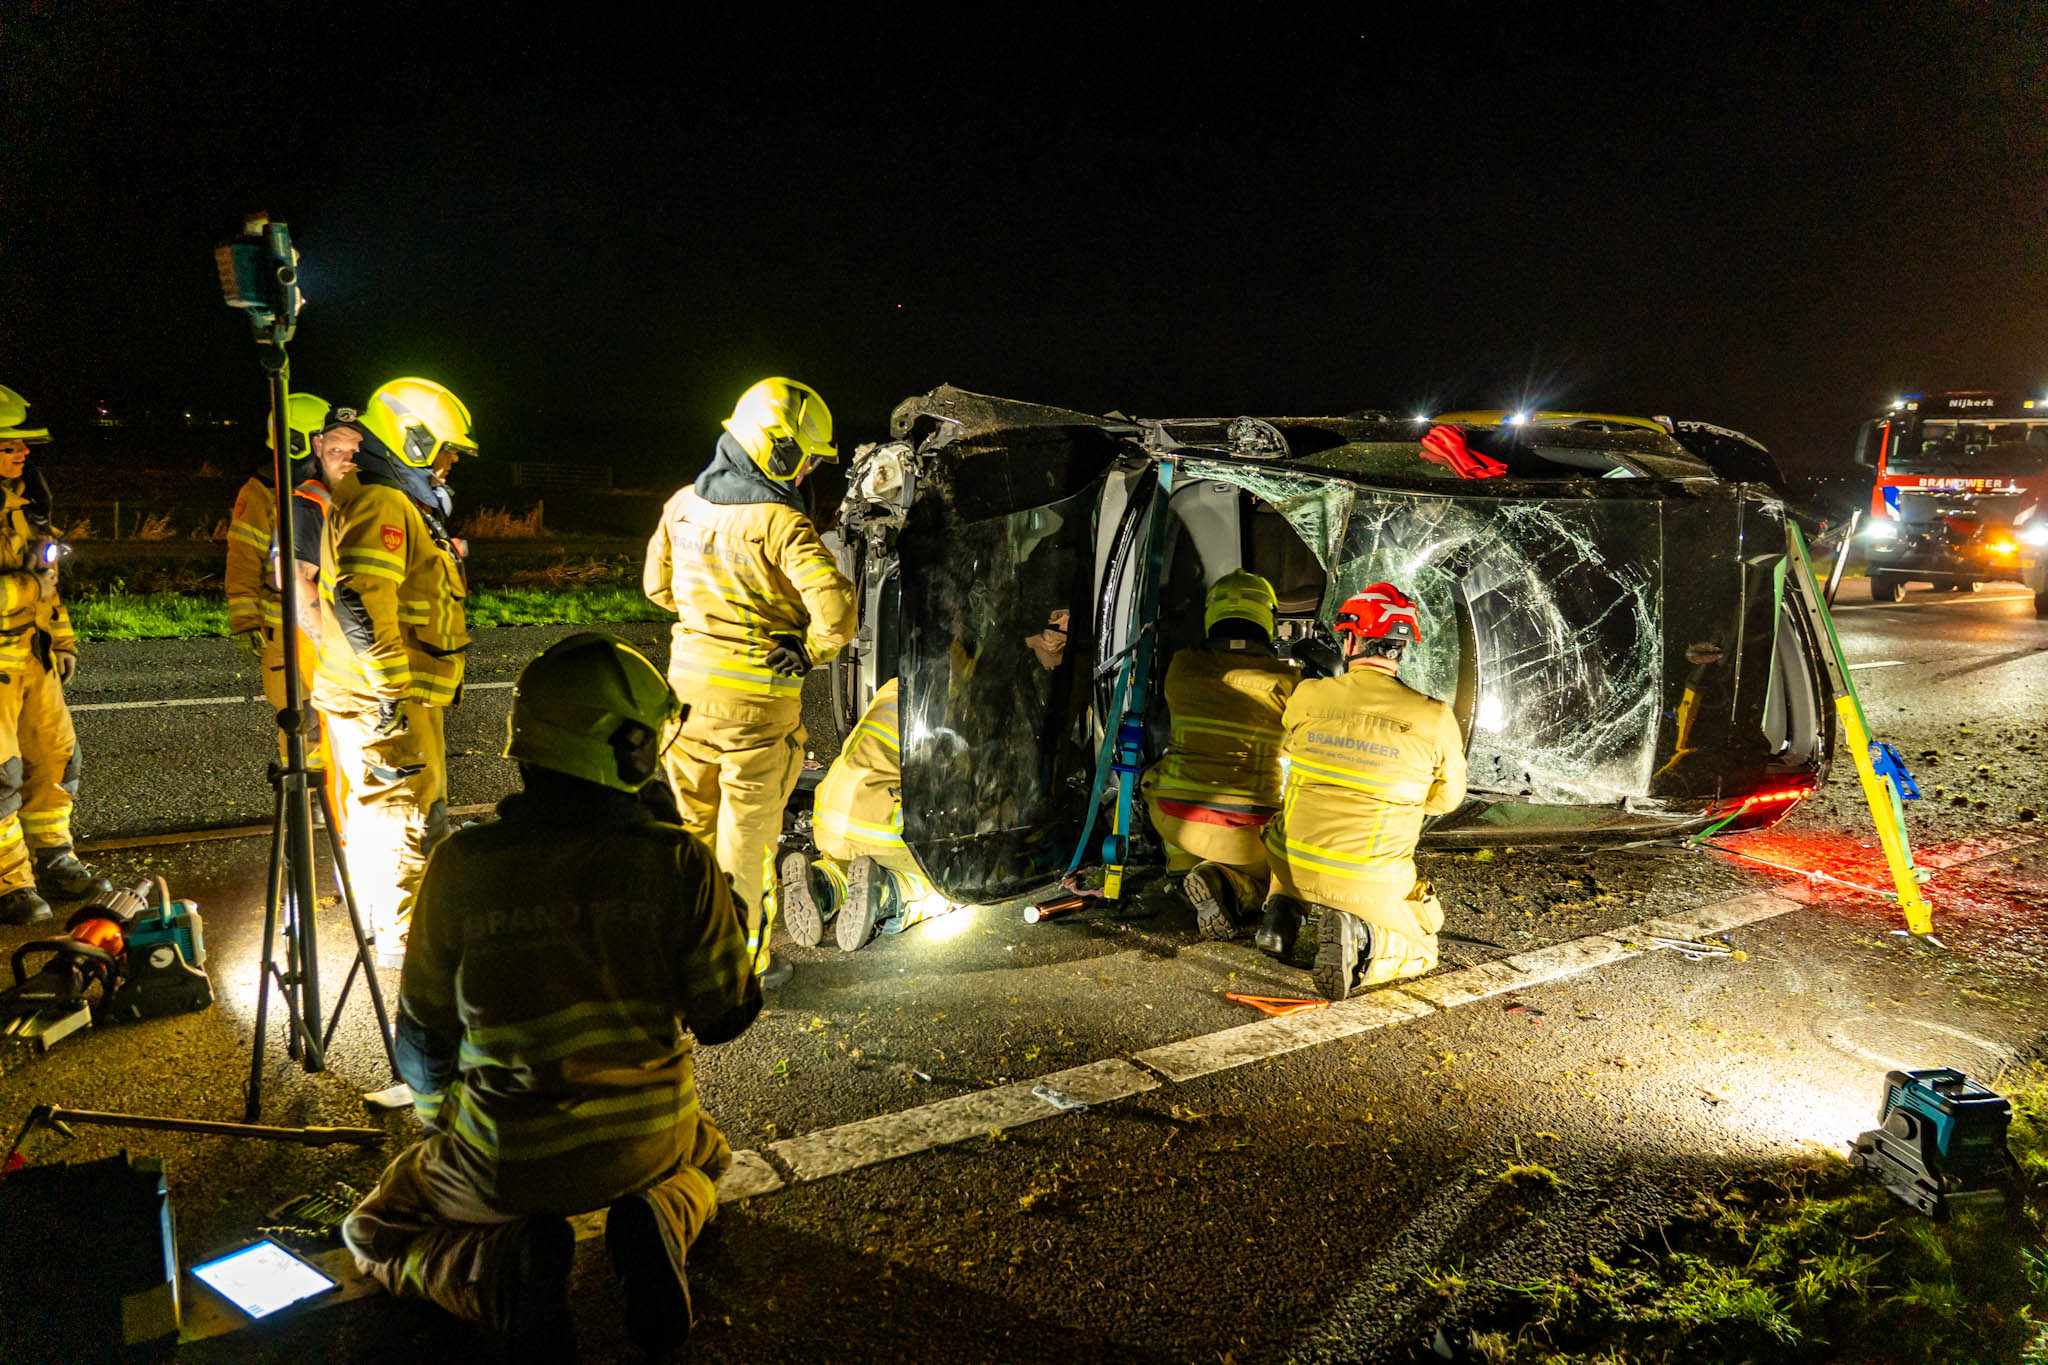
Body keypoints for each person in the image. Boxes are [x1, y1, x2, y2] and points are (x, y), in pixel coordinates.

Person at [342, 633, 759, 1359]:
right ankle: (660, 1214)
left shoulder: (461, 866)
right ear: (625, 749)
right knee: (710, 1157)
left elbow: (420, 1042)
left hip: (506, 1158)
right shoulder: (677, 859)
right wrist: (718, 898)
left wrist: (450, 1122)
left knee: (373, 1231)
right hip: (647, 1138)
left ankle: (496, 1272)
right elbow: (727, 1013)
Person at [643, 377, 856, 988]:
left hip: (683, 707)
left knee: (690, 836)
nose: (809, 470)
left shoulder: (682, 503)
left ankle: (680, 953)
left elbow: (658, 589)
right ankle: (736, 970)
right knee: (746, 847)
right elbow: (838, 615)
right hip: (757, 713)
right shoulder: (782, 524)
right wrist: (809, 647)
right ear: (780, 450)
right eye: (808, 459)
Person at [314, 378, 474, 967]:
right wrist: (389, 690)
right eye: (444, 451)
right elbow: (361, 598)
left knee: (400, 812)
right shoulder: (382, 502)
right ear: (412, 441)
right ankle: (412, 948)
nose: (450, 464)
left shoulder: (391, 501)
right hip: (385, 696)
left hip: (394, 694)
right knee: (409, 816)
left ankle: (400, 928)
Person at [1259, 582, 1466, 1001]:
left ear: (1351, 640)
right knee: (1425, 947)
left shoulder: (1307, 694)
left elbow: (1290, 751)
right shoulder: (1435, 717)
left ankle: (1279, 917)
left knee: (1296, 816)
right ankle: (1366, 943)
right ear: (1402, 648)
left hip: (1291, 862)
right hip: (1369, 881)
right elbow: (1447, 800)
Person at [1139, 571, 1300, 938]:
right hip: (1247, 832)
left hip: (1176, 821)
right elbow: (1296, 747)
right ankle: (1229, 886)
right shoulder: (1289, 683)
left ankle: (1183, 867)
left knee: (1156, 777)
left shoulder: (1181, 668)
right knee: (1276, 873)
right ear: (1267, 619)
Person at [0, 386, 96, 923]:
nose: (24, 454)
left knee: (56, 760)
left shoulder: (26, 502)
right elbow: (34, 584)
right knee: (1, 775)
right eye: (10, 445)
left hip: (32, 659)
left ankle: (55, 857)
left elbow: (48, 581)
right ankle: (10, 884)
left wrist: (61, 639)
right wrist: (30, 589)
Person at [781, 675, 956, 952]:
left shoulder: (896, 685)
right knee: (954, 883)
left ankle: (824, 884)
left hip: (828, 819)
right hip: (879, 827)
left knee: (847, 866)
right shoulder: (959, 699)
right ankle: (888, 892)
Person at [227, 392, 331, 760]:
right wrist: (245, 620)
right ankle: (307, 804)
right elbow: (243, 559)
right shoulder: (260, 493)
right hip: (287, 631)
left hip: (329, 625)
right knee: (305, 724)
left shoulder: (327, 489)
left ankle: (340, 807)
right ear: (301, 441)